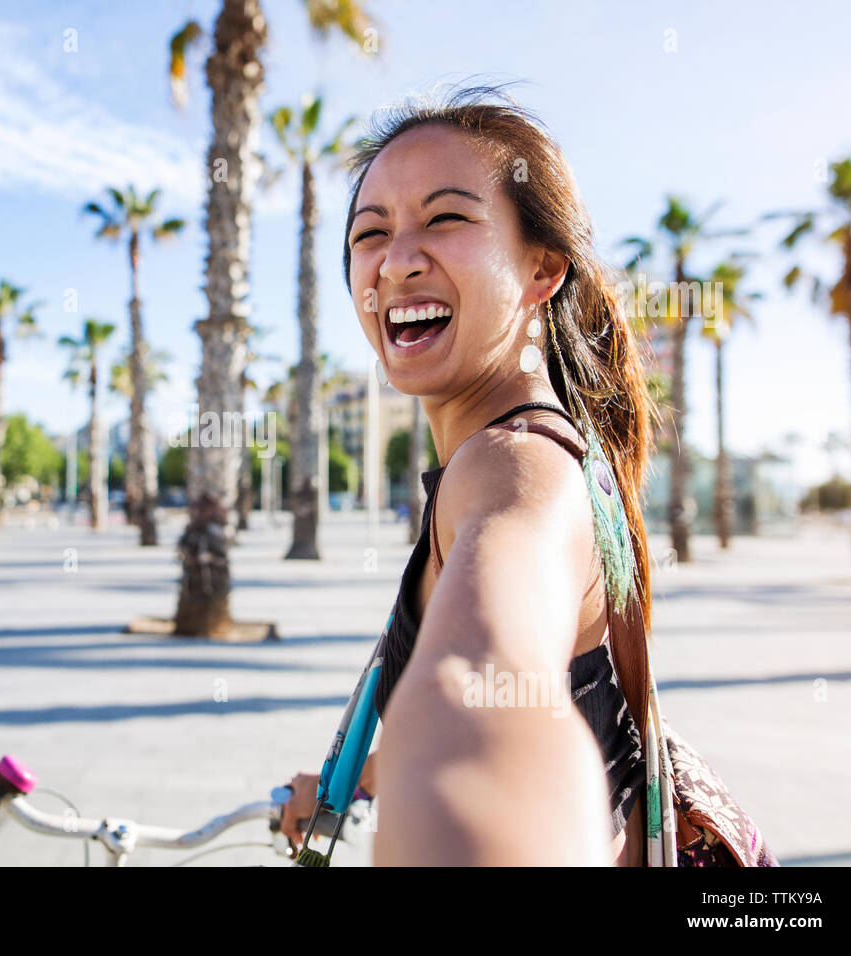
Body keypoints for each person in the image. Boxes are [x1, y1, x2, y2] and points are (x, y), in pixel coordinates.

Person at [280, 85, 658, 866]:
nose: (397, 259)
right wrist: (357, 778)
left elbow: (479, 701)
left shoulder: (516, 469)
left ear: (543, 268)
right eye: (369, 233)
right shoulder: (548, 450)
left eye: (446, 218)